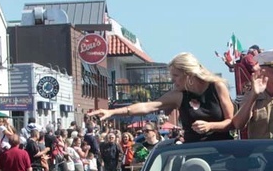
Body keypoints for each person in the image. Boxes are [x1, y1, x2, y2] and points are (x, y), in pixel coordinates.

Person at [89, 53, 234, 143]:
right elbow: (148, 106)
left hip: (221, 149)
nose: (173, 80)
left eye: (176, 76)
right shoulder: (178, 95)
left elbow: (232, 122)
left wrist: (210, 126)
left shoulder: (217, 86)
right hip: (194, 152)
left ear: (188, 74)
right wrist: (112, 112)